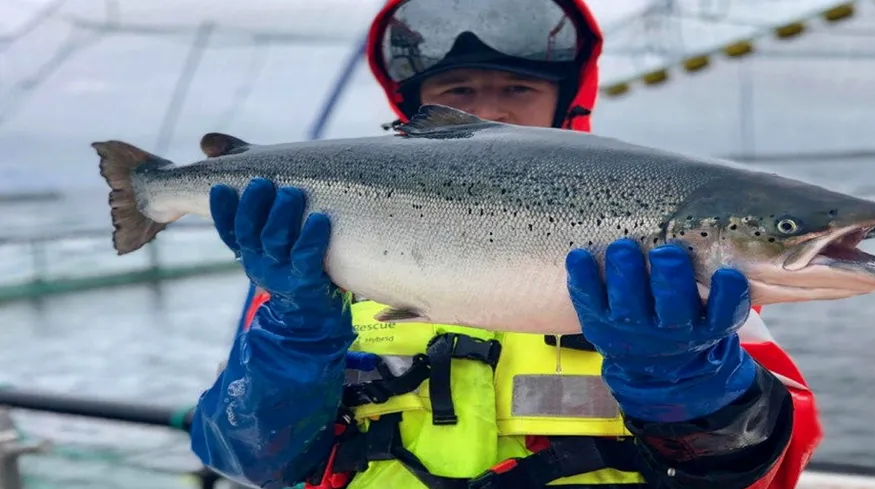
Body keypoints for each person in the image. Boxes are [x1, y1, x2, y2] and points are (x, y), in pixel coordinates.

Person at [189, 1, 824, 488]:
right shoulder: (311, 269)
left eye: (517, 89)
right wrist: (297, 331)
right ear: (416, 113)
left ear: (565, 98)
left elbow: (773, 467)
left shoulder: (680, 290)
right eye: (460, 93)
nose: (494, 110)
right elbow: (249, 458)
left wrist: (689, 380)